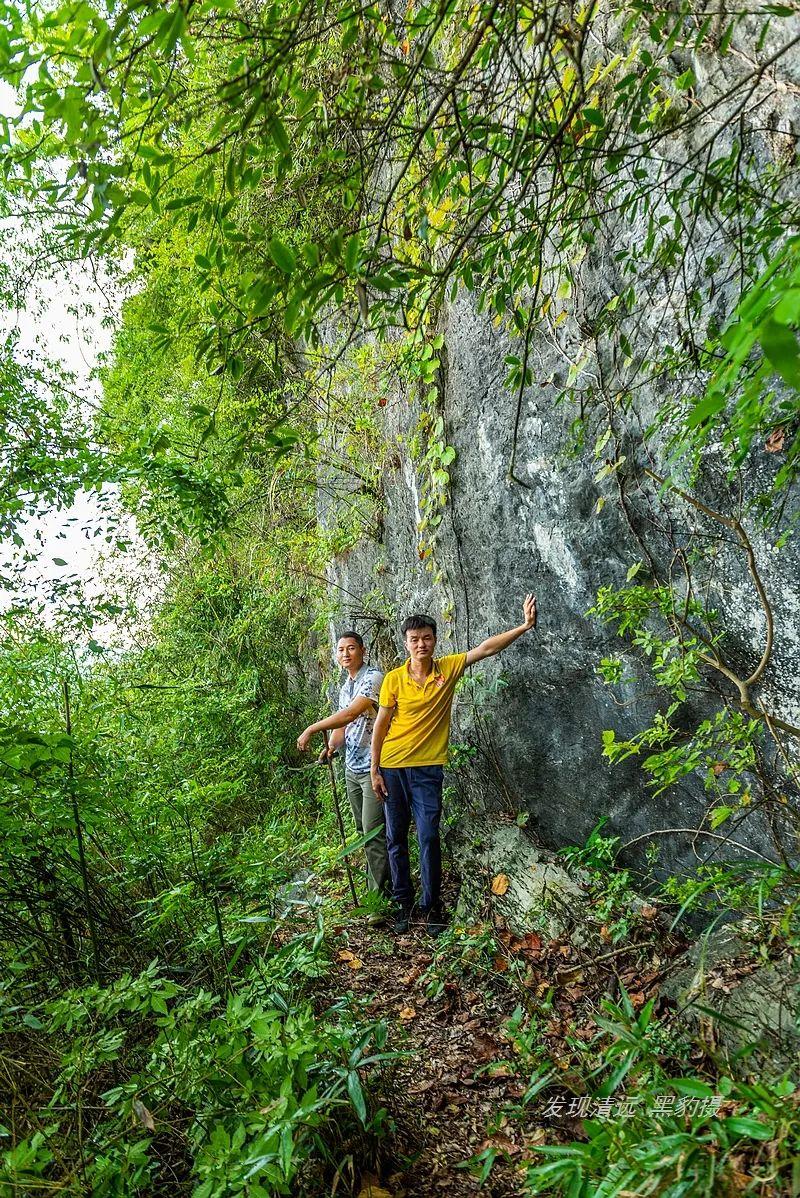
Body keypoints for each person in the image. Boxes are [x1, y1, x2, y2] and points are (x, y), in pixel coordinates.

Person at [370, 595, 537, 936]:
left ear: (435, 640)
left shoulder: (447, 668)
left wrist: (524, 626)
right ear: (406, 643)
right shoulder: (393, 680)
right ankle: (404, 902)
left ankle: (431, 905)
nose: (421, 644)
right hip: (392, 767)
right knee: (395, 837)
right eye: (414, 639)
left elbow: (486, 649)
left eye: (427, 638)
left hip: (428, 770)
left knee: (429, 835)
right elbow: (381, 725)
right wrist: (375, 770)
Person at [297, 631, 390, 897]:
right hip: (352, 768)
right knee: (363, 830)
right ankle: (384, 883)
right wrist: (331, 747)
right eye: (340, 650)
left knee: (373, 833)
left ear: (362, 650)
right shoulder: (345, 686)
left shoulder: (373, 678)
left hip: (375, 767)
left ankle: (378, 898)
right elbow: (344, 725)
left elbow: (352, 712)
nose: (345, 654)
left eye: (351, 648)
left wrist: (312, 728)